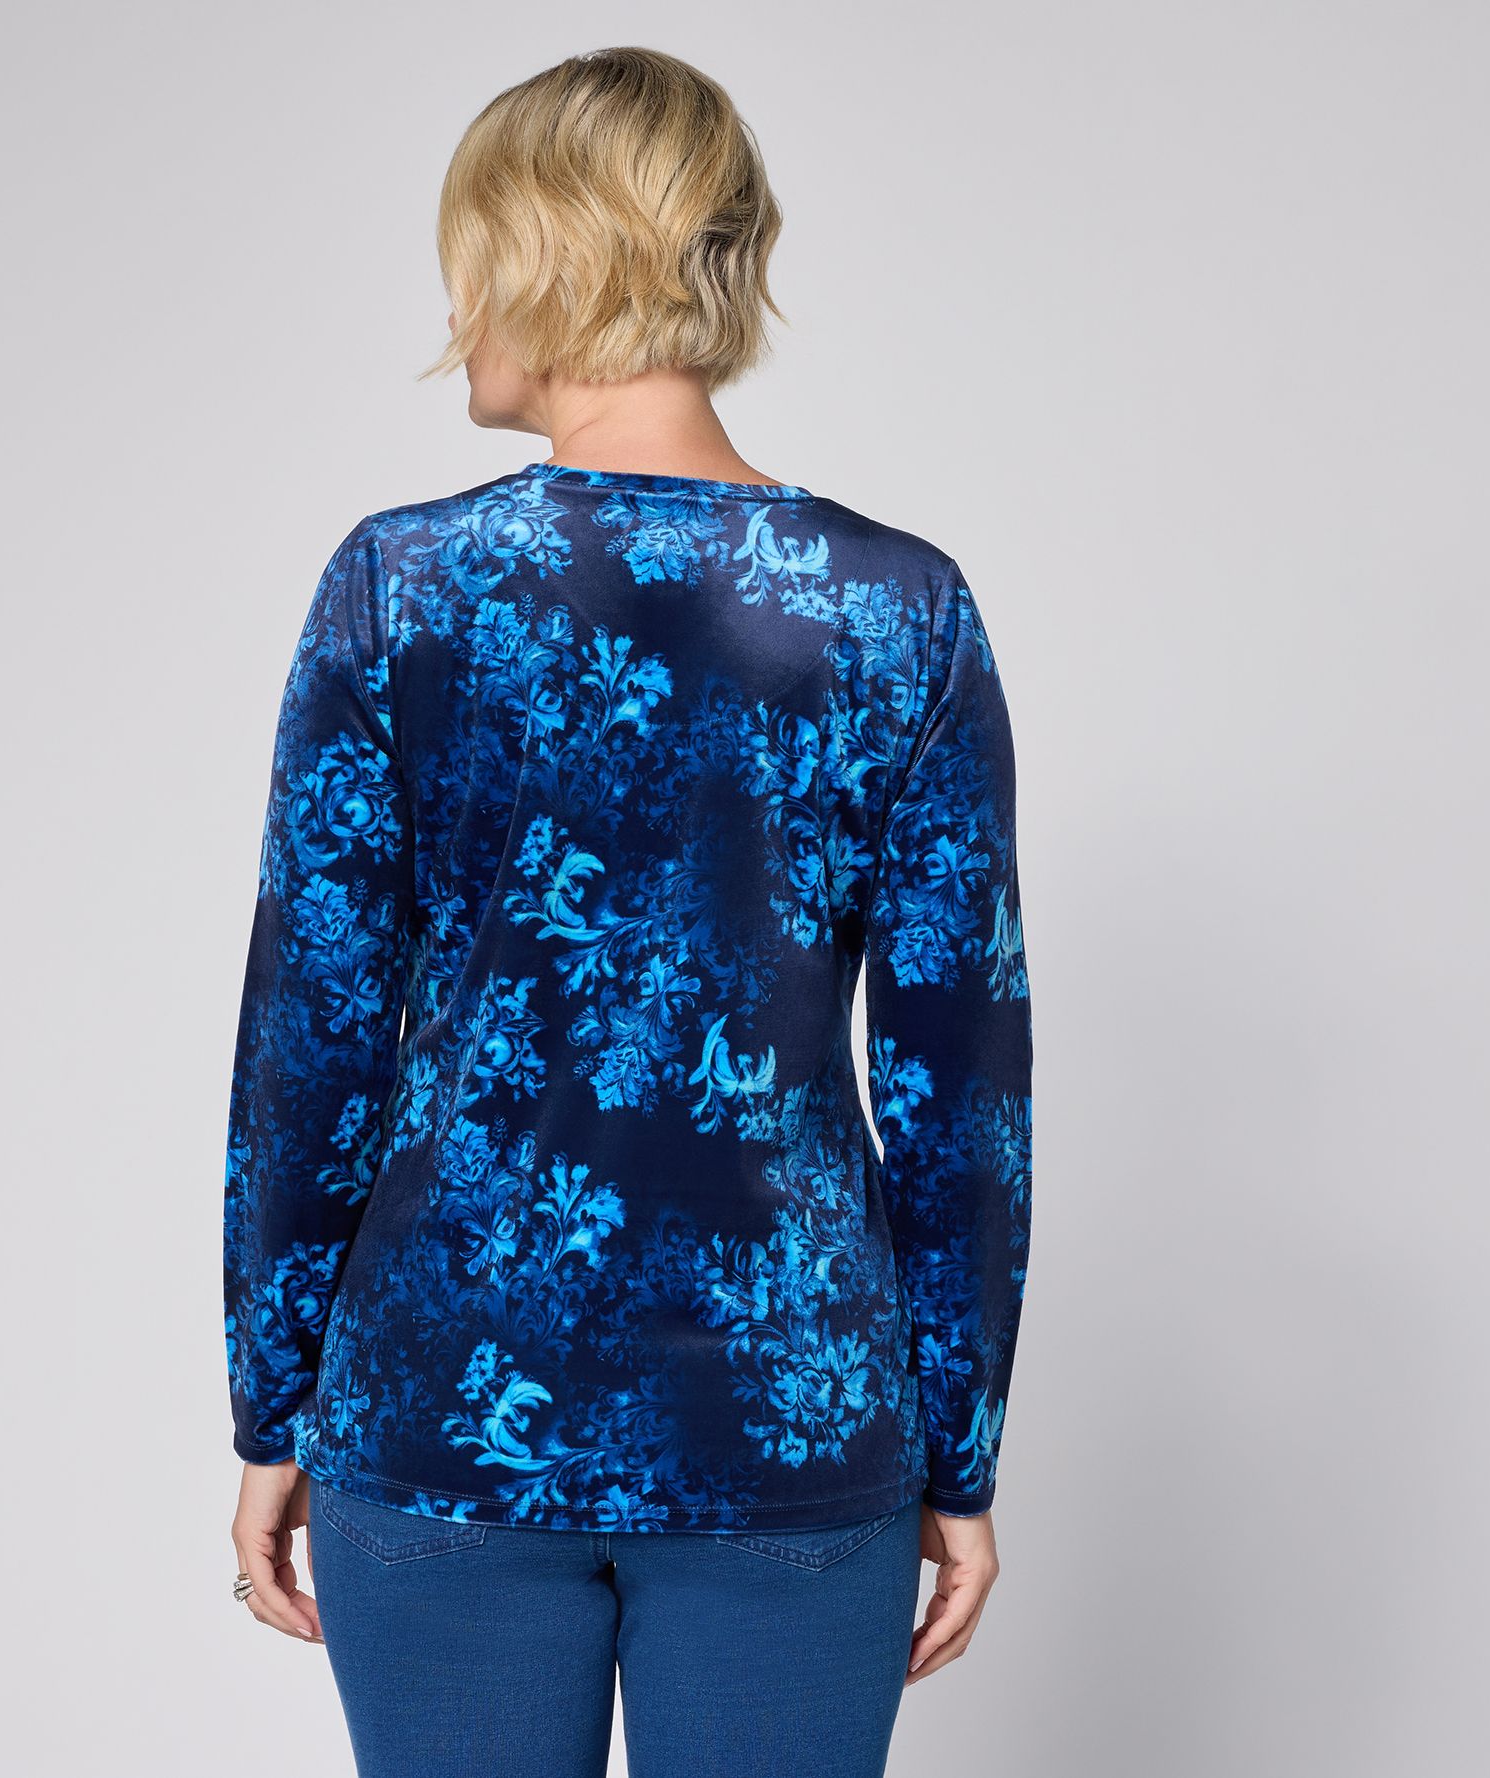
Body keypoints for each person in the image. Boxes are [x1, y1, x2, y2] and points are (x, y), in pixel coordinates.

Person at [221, 46, 1033, 1778]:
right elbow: (961, 1090)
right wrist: (958, 1447)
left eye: (464, 252)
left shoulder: (399, 591)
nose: (453, 306)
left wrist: (273, 1397)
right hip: (791, 1417)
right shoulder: (902, 612)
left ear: (541, 252)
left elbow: (315, 1036)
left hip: (442, 1401)